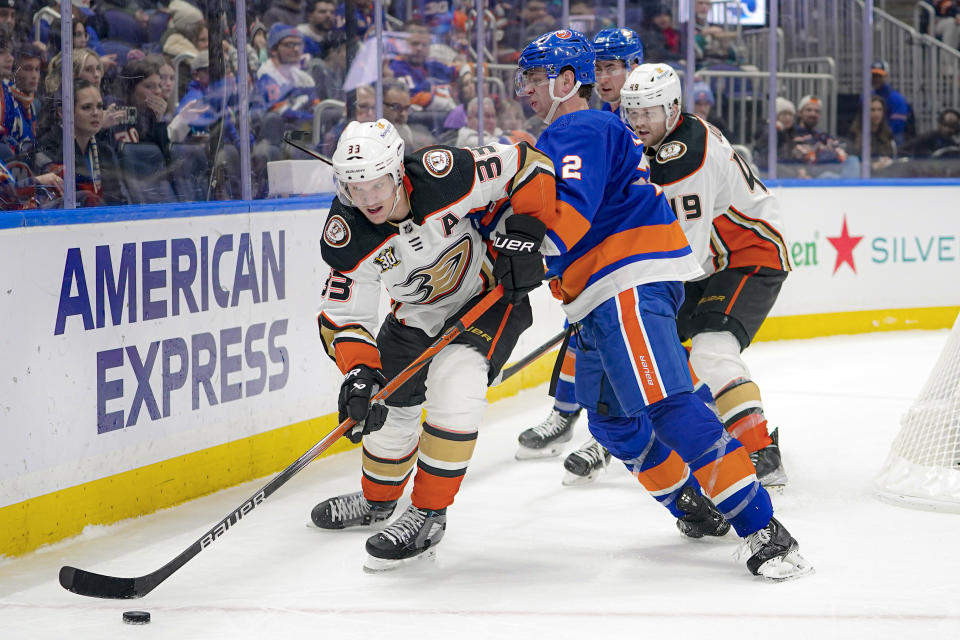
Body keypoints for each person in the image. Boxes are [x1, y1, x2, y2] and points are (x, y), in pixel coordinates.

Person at [516, 31, 812, 580]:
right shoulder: (573, 135)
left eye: (536, 77)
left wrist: (517, 258)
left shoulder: (579, 126)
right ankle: (691, 505)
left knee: (671, 402)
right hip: (596, 295)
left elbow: (572, 221)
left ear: (564, 82)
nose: (526, 88)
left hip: (627, 282)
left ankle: (765, 531)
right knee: (609, 421)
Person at [310, 118, 556, 571]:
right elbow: (341, 315)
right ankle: (377, 501)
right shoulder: (347, 231)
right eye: (354, 188)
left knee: (455, 379)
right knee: (385, 403)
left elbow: (529, 165)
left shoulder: (443, 173)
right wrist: (360, 370)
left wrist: (527, 232)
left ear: (398, 170)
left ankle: (428, 513)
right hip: (416, 317)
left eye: (378, 183)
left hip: (487, 297)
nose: (368, 199)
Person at [621, 61, 791, 488]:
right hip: (713, 261)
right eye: (633, 111)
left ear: (673, 108)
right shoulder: (661, 140)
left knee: (711, 349)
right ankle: (718, 421)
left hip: (749, 254)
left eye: (649, 111)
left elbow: (687, 255)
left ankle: (760, 451)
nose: (639, 121)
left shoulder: (687, 158)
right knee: (665, 349)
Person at [515, 25, 644, 482]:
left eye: (614, 66)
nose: (606, 76)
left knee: (648, 348)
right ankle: (570, 413)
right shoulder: (594, 121)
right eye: (601, 66)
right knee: (585, 330)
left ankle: (607, 432)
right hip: (603, 260)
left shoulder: (647, 113)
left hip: (646, 254)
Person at [34, 79, 128, 207]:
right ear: (63, 113)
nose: (96, 113)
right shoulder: (49, 147)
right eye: (86, 107)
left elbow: (117, 200)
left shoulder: (104, 150)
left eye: (100, 106)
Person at [790, 94, 859, 179]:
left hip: (828, 170)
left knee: (852, 160)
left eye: (817, 111)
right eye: (809, 110)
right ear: (800, 113)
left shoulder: (822, 135)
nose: (813, 114)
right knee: (828, 176)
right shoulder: (792, 133)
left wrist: (819, 153)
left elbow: (842, 151)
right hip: (809, 177)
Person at [591, 27, 643, 118]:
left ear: (633, 67)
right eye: (598, 69)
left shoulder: (643, 115)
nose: (602, 80)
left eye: (611, 69)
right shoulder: (608, 108)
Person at [847, 95, 897, 173]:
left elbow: (892, 157)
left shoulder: (887, 134)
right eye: (872, 110)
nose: (876, 114)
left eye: (879, 110)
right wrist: (872, 167)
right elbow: (852, 164)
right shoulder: (855, 134)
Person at [870, 61, 912, 146]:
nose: (876, 79)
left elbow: (897, 126)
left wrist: (881, 135)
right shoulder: (866, 96)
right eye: (874, 76)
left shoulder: (896, 98)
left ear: (886, 76)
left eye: (879, 76)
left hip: (891, 138)